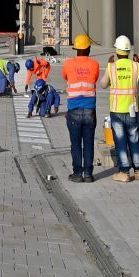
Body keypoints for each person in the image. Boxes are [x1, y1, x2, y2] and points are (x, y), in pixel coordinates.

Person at [101, 34, 139, 182]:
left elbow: (103, 84)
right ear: (128, 51)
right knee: (134, 139)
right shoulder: (135, 66)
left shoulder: (112, 66)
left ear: (117, 50)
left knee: (120, 142)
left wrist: (109, 68)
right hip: (132, 110)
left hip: (117, 111)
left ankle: (124, 172)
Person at [61, 34, 101, 183]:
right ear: (89, 49)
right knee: (89, 143)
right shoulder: (95, 64)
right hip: (90, 109)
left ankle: (77, 174)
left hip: (74, 110)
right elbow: (95, 78)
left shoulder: (68, 64)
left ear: (76, 49)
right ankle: (88, 174)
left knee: (76, 143)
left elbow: (65, 77)